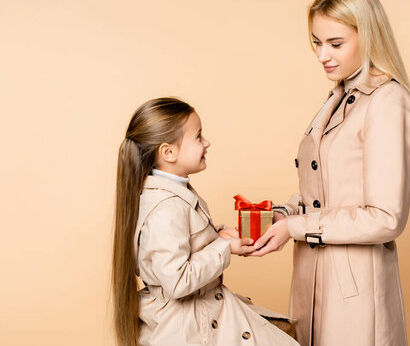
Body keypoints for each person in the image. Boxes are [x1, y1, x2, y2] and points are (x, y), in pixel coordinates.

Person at [251, 0, 410, 346]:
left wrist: (298, 227)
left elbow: (385, 218)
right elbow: (327, 194)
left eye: (335, 43)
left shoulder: (387, 101)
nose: (322, 55)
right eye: (316, 42)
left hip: (355, 290)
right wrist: (281, 215)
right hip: (314, 278)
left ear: (369, 36)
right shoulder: (339, 97)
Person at [112, 98, 300, 346]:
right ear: (168, 152)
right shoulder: (167, 207)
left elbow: (187, 243)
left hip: (202, 312)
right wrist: (224, 248)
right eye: (198, 137)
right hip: (190, 327)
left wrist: (220, 236)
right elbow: (177, 281)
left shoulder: (176, 192)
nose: (207, 143)